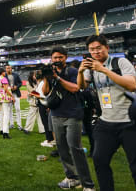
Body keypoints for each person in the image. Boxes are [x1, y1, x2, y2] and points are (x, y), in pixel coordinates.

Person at [78, 35, 136, 191]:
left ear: (107, 48)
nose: (96, 52)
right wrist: (80, 72)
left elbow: (132, 85)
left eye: (99, 48)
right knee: (99, 160)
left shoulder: (120, 62)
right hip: (106, 123)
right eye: (92, 49)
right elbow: (82, 86)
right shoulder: (91, 67)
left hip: (129, 123)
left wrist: (103, 69)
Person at [43, 46, 95, 191]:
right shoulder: (51, 72)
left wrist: (57, 78)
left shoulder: (72, 71)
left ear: (66, 57)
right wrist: (48, 77)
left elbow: (75, 88)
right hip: (56, 114)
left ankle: (88, 185)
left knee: (75, 148)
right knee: (62, 149)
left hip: (72, 114)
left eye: (60, 57)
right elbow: (46, 92)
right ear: (51, 59)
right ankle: (72, 178)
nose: (58, 60)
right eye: (55, 58)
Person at [0, 67, 14, 139]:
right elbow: (6, 89)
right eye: (4, 71)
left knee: (2, 114)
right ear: (2, 72)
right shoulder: (4, 78)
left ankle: (1, 129)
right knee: (6, 114)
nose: (5, 72)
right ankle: (5, 132)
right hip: (5, 98)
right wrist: (12, 96)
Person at [5, 64, 23, 130]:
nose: (8, 69)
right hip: (8, 94)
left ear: (11, 68)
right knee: (9, 109)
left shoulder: (16, 75)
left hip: (16, 93)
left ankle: (19, 125)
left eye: (9, 68)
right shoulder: (4, 76)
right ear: (5, 69)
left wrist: (16, 86)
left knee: (17, 109)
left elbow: (20, 83)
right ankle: (11, 124)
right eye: (7, 68)